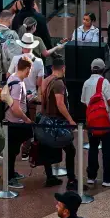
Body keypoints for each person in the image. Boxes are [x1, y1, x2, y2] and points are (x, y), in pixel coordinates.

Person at [40, 55, 78, 189]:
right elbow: (60, 104)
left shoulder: (46, 80)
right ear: (63, 68)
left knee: (47, 148)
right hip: (57, 121)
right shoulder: (59, 83)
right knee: (70, 150)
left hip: (46, 120)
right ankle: (71, 179)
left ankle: (50, 177)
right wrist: (70, 119)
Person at [80, 59, 110, 187]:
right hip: (106, 120)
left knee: (93, 148)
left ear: (91, 68)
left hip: (91, 121)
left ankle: (91, 176)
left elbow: (84, 101)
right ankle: (108, 178)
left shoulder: (86, 83)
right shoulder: (104, 82)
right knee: (107, 151)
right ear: (103, 69)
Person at [5, 56, 34, 186]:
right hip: (16, 123)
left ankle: (11, 173)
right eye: (30, 69)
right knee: (13, 150)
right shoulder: (18, 84)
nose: (30, 72)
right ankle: (9, 178)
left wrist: (26, 98)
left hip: (12, 122)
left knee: (13, 150)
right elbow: (16, 108)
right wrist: (26, 119)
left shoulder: (12, 78)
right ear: (27, 69)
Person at [7, 33, 45, 101]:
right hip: (32, 96)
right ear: (33, 46)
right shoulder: (39, 61)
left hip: (17, 94)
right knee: (31, 111)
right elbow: (39, 83)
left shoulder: (15, 58)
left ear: (21, 46)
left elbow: (8, 75)